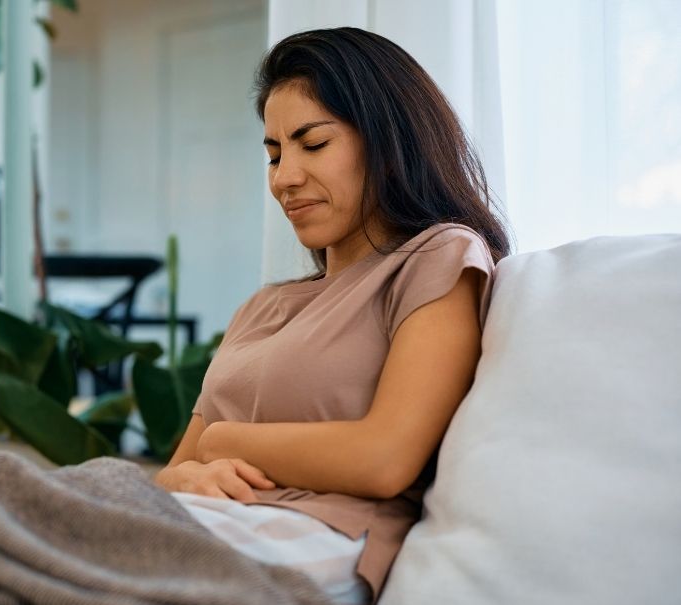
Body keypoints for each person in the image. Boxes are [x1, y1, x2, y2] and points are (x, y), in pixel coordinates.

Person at [153, 27, 512, 605]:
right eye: (274, 155)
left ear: (388, 140)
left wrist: (221, 441)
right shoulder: (262, 308)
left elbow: (384, 459)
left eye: (313, 144)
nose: (284, 179)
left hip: (308, 539)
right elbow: (174, 469)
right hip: (197, 521)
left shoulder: (438, 257)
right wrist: (182, 477)